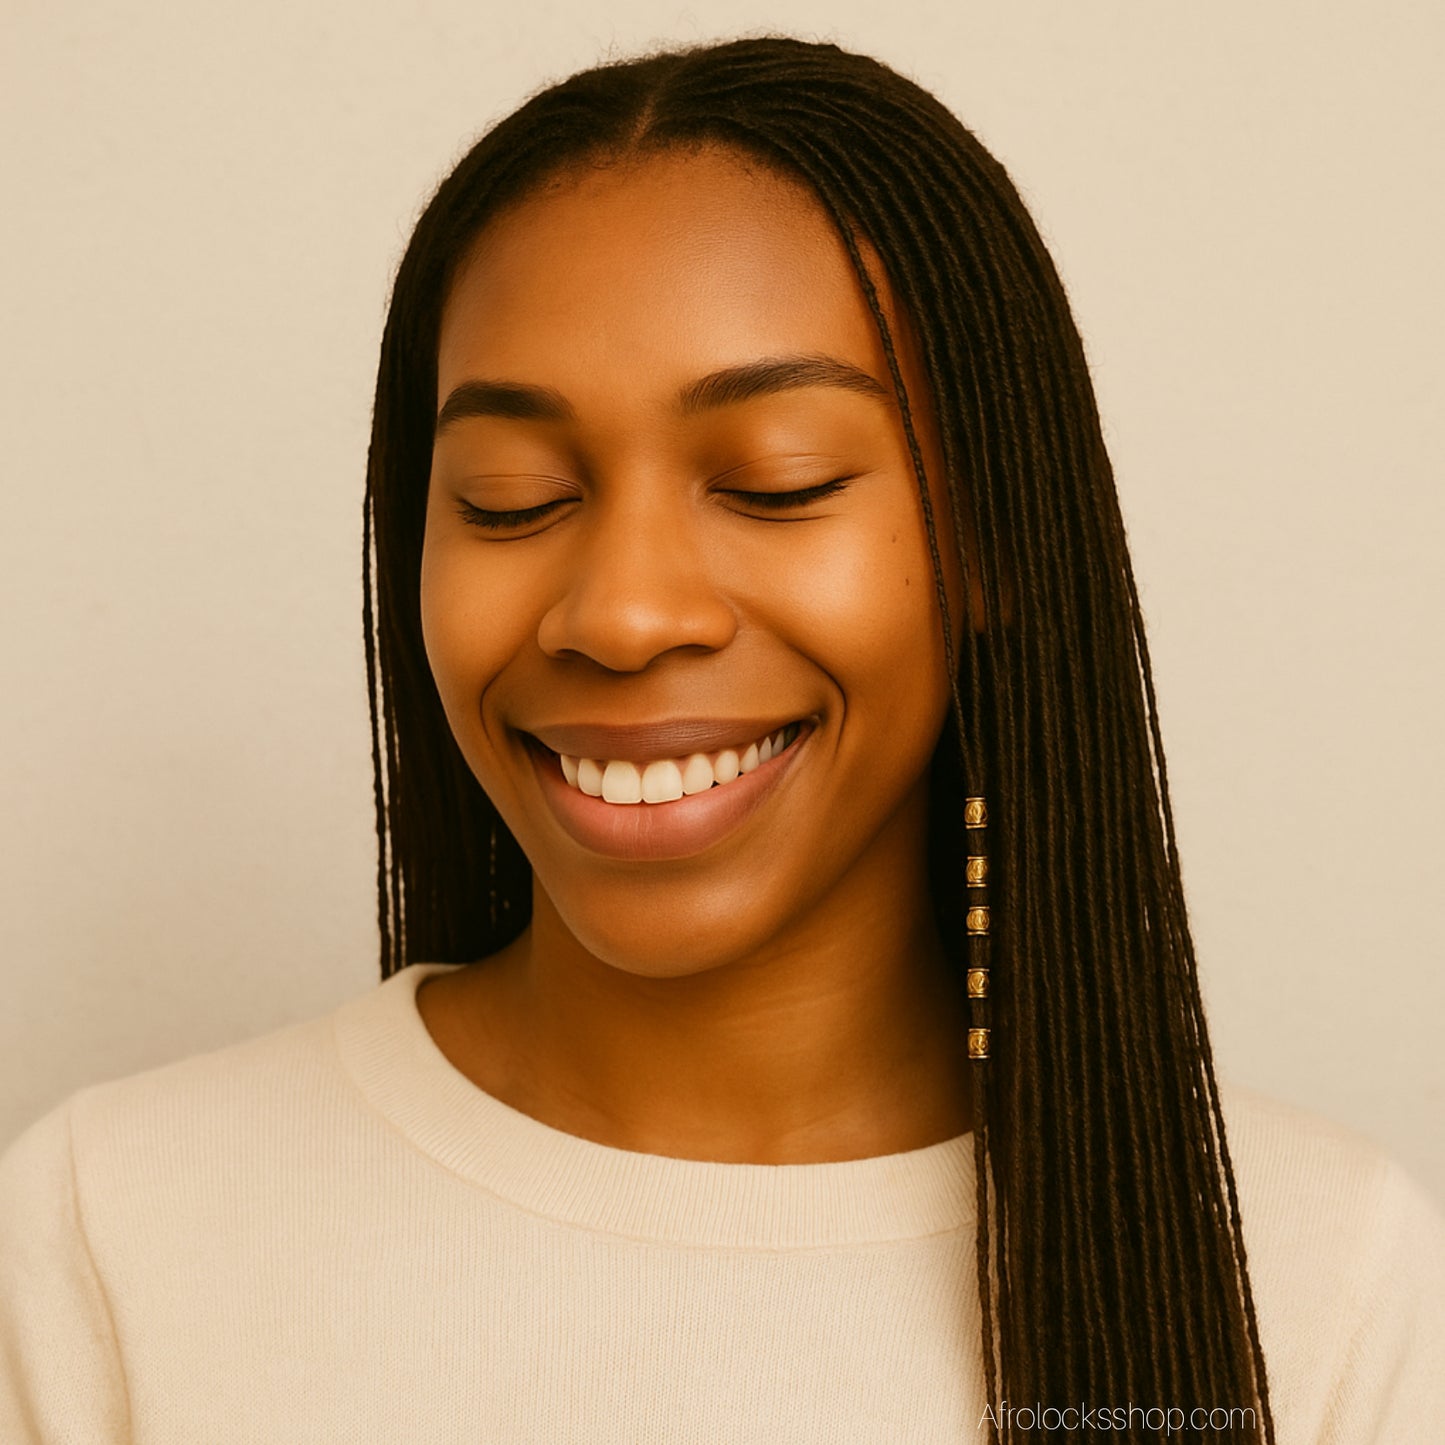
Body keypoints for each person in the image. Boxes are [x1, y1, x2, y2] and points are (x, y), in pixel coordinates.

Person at [2, 35, 1442, 1444]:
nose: (623, 615)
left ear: (993, 535)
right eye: (508, 498)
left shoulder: (1322, 1286)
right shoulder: (115, 1229)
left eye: (775, 481)